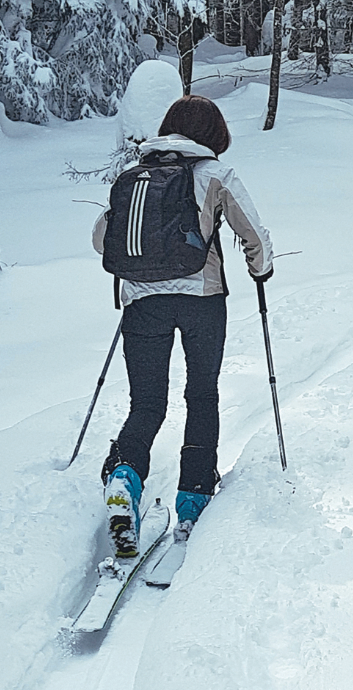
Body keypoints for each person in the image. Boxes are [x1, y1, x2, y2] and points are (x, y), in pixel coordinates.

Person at [92, 95, 273, 554]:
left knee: (147, 402)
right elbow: (252, 231)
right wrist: (260, 269)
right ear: (214, 134)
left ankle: (125, 478)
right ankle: (192, 497)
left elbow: (101, 239)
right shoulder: (214, 174)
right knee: (201, 395)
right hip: (202, 301)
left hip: (142, 304)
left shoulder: (133, 177)